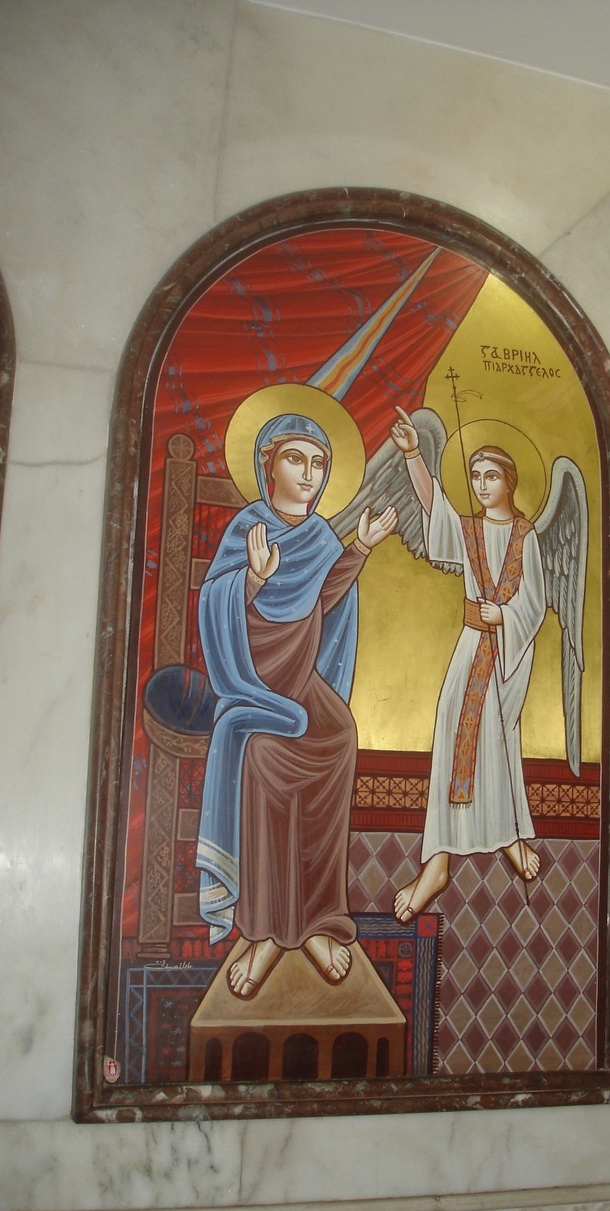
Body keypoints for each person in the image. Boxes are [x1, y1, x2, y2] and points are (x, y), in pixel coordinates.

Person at [196, 412, 397, 998]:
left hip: (301, 682)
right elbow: (216, 606)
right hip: (253, 685)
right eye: (295, 459)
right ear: (268, 465)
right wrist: (252, 581)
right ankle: (262, 932)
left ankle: (314, 922)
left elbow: (324, 599)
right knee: (262, 754)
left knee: (339, 735)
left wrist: (360, 547)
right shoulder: (247, 529)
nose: (308, 474)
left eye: (318, 464)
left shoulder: (321, 538)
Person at [389, 407, 546, 923]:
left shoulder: (526, 536)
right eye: (475, 475)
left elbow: (535, 601)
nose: (481, 484)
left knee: (498, 737)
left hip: (507, 652)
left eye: (491, 475)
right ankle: (437, 863)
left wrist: (505, 615)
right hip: (471, 649)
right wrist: (414, 455)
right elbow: (436, 509)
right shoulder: (470, 531)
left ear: (509, 482)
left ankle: (509, 835)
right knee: (453, 730)